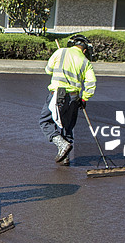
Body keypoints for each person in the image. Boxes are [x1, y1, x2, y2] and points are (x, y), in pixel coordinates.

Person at [39, 35, 96, 166]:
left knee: (45, 121)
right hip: (74, 97)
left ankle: (62, 144)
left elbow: (48, 70)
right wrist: (85, 98)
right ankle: (65, 157)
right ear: (85, 50)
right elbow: (91, 83)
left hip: (57, 95)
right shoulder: (85, 61)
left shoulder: (61, 52)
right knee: (68, 126)